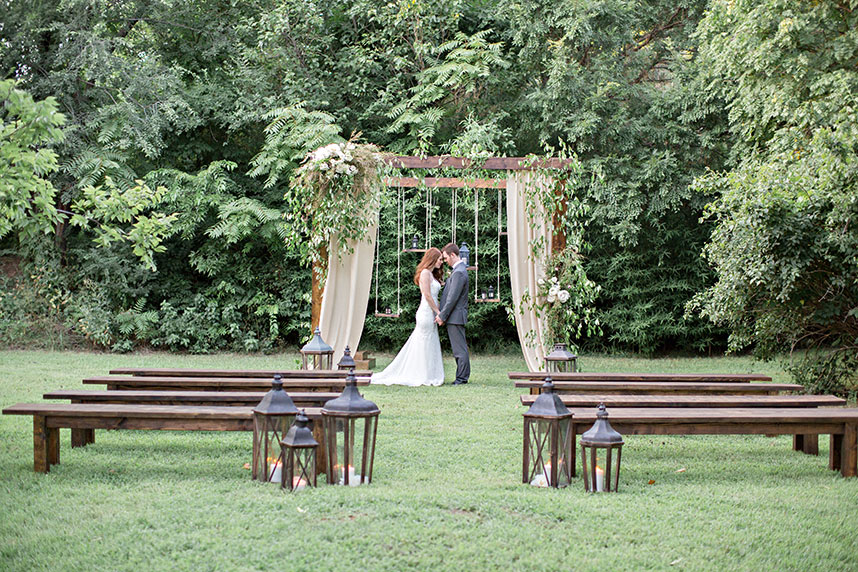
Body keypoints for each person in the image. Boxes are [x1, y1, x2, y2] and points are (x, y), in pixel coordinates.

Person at [372, 247, 445, 386]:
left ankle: (429, 373)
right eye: (440, 259)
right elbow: (427, 296)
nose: (441, 262)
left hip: (431, 311)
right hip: (426, 312)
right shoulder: (425, 273)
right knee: (423, 342)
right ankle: (421, 374)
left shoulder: (431, 274)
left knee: (429, 342)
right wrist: (437, 311)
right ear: (432, 259)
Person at [435, 243, 470, 385]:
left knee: (459, 349)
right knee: (458, 348)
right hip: (454, 316)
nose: (445, 261)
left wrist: (442, 315)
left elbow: (452, 298)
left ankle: (462, 378)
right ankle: (461, 376)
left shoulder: (459, 272)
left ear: (453, 255)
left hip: (455, 317)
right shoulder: (458, 270)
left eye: (445, 258)